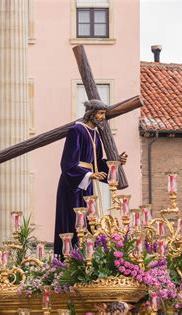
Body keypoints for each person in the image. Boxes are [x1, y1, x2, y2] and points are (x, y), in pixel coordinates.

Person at [53, 99, 127, 256]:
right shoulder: (76, 131)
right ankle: (68, 259)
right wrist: (89, 174)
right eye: (100, 113)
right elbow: (67, 163)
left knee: (88, 222)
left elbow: (98, 163)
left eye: (103, 114)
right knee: (72, 221)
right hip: (72, 185)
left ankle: (85, 257)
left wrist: (117, 163)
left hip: (87, 184)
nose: (102, 117)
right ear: (91, 113)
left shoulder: (96, 135)